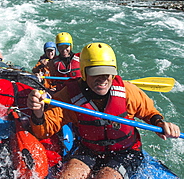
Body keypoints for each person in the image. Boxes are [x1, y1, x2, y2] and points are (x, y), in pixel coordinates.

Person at [27, 42, 181, 179]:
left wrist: (161, 124)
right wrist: (38, 113)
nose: (103, 79)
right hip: (90, 149)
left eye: (107, 72)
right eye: (96, 73)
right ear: (85, 72)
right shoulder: (68, 97)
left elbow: (149, 113)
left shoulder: (128, 92)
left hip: (126, 152)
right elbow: (43, 131)